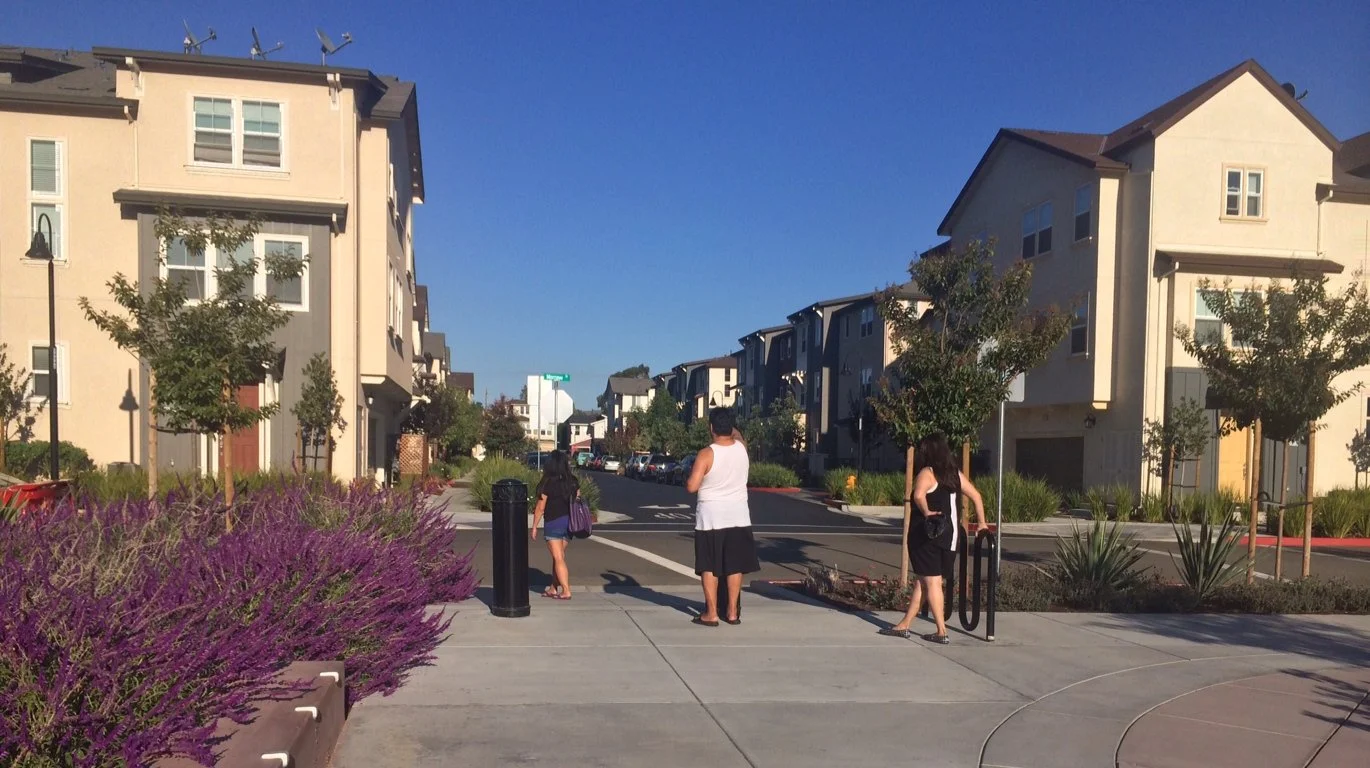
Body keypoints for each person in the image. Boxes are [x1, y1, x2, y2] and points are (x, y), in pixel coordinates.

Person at [880, 433, 987, 644]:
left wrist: (927, 512)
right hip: (951, 537)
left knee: (932, 582)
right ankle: (905, 624)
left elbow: (918, 495)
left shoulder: (927, 473)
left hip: (927, 536)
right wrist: (982, 522)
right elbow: (976, 495)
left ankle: (941, 631)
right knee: (924, 581)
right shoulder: (954, 474)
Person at [684, 407, 760, 626]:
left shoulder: (706, 454)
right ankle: (732, 612)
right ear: (731, 427)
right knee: (735, 565)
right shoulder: (742, 449)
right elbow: (738, 436)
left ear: (711, 428)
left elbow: (692, 486)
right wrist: (731, 426)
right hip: (739, 516)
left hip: (711, 518)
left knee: (709, 565)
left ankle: (711, 613)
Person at [530, 450, 580, 600]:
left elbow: (540, 507)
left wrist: (534, 527)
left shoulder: (547, 483)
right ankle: (553, 587)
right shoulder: (573, 481)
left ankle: (566, 590)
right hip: (569, 524)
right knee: (558, 557)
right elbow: (577, 501)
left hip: (553, 523)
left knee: (558, 557)